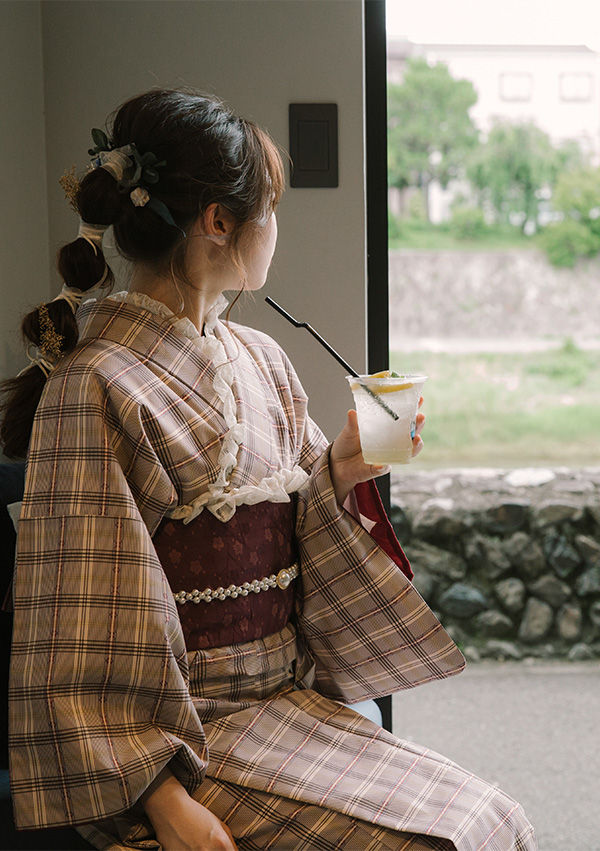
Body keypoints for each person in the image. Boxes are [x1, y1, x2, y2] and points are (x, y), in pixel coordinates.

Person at [1, 89, 537, 850]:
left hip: (282, 699)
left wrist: (341, 470)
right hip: (183, 737)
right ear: (219, 221)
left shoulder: (264, 361)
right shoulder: (95, 384)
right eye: (270, 209)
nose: (276, 229)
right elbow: (78, 623)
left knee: (497, 820)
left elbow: (295, 526)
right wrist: (161, 798)